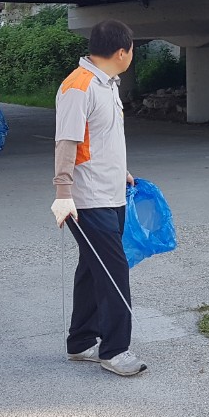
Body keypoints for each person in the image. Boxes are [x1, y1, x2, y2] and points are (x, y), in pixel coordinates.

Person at [50, 19, 146, 377]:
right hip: (87, 199)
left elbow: (100, 139)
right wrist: (63, 193)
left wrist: (121, 171)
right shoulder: (79, 86)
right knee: (114, 272)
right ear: (122, 52)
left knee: (94, 269)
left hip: (111, 192)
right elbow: (67, 142)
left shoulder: (108, 84)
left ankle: (80, 342)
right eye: (132, 49)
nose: (132, 55)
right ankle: (115, 351)